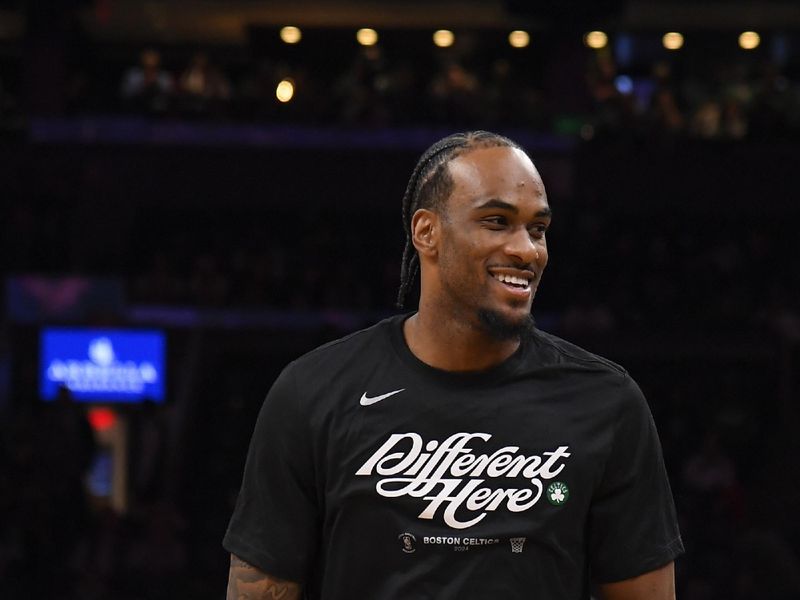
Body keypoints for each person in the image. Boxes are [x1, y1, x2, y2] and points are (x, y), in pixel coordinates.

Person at [223, 131, 683, 599]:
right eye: (497, 221)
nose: (527, 250)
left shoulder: (606, 403)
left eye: (537, 228)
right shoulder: (312, 393)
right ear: (427, 232)